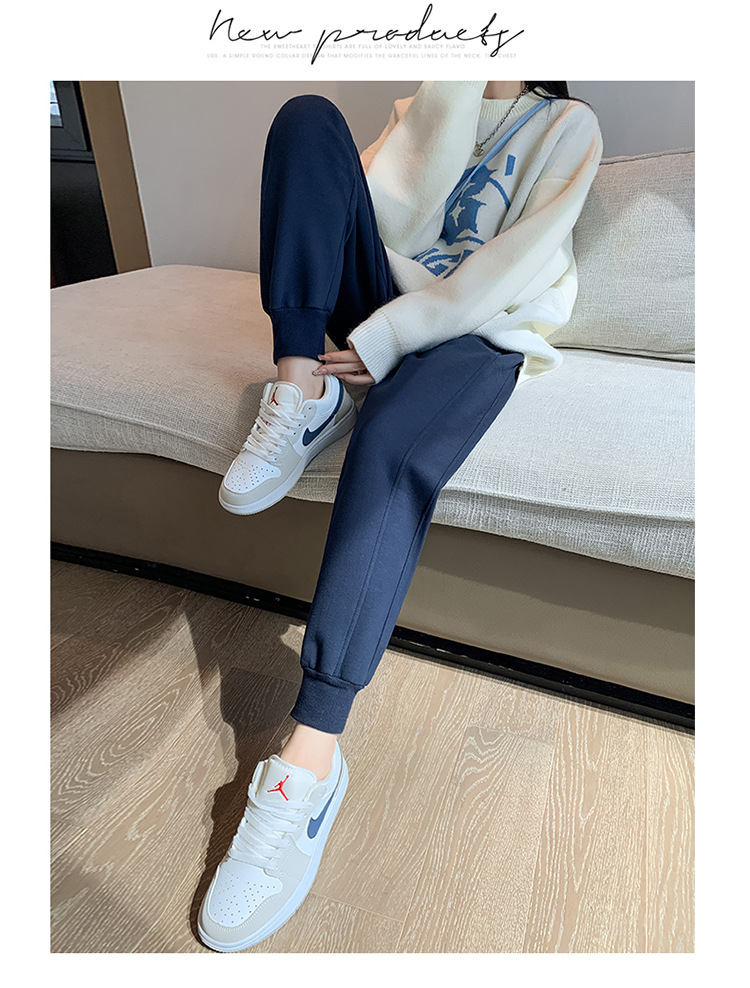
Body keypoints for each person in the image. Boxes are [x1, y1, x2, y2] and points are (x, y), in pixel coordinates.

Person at [197, 80, 604, 952]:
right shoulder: (433, 93)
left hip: (475, 325)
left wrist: (391, 339)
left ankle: (310, 760)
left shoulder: (572, 125)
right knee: (307, 118)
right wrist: (450, 86)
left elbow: (512, 267)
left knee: (390, 447)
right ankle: (301, 389)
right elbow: (384, 209)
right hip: (381, 285)